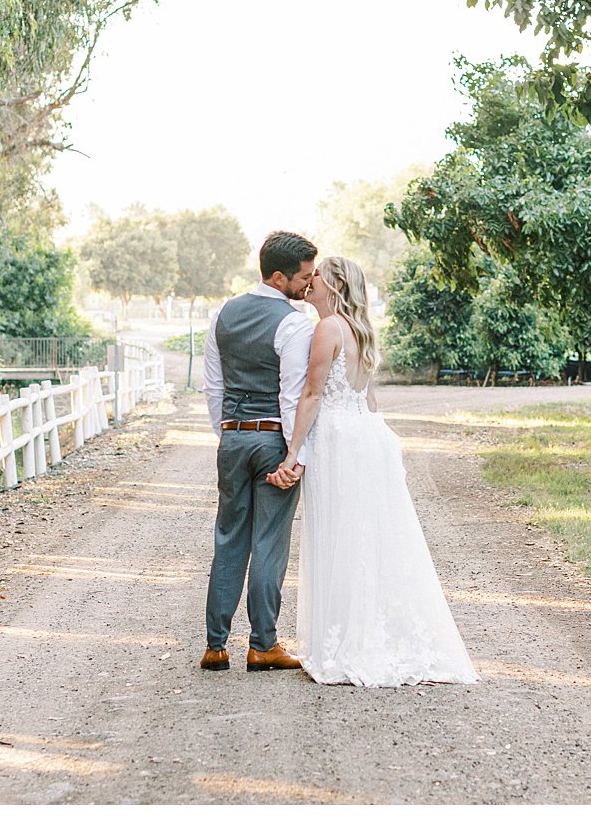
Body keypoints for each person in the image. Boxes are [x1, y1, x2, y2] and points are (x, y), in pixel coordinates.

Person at [271, 254, 479, 686]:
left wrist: (292, 453)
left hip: (335, 439)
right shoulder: (361, 331)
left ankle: (346, 641)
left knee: (340, 534)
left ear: (337, 285)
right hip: (362, 437)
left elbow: (311, 395)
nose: (310, 282)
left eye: (319, 278)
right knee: (364, 535)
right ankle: (366, 634)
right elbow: (367, 399)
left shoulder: (327, 328)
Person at [198, 230, 317, 672]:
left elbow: (214, 386)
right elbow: (291, 395)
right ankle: (263, 644)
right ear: (280, 276)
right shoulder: (294, 323)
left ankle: (215, 645)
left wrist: (228, 433)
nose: (308, 284)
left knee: (228, 538)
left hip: (232, 437)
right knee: (269, 542)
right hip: (273, 440)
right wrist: (295, 454)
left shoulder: (222, 314)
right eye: (304, 277)